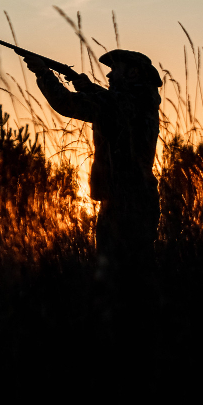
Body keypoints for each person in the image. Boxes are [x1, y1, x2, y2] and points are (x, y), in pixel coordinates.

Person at [24, 49, 162, 275]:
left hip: (124, 201)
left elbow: (65, 103)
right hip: (136, 197)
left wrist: (43, 73)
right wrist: (87, 87)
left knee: (118, 276)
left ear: (133, 73)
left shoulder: (118, 103)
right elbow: (112, 105)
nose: (108, 76)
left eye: (115, 69)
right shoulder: (140, 102)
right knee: (138, 274)